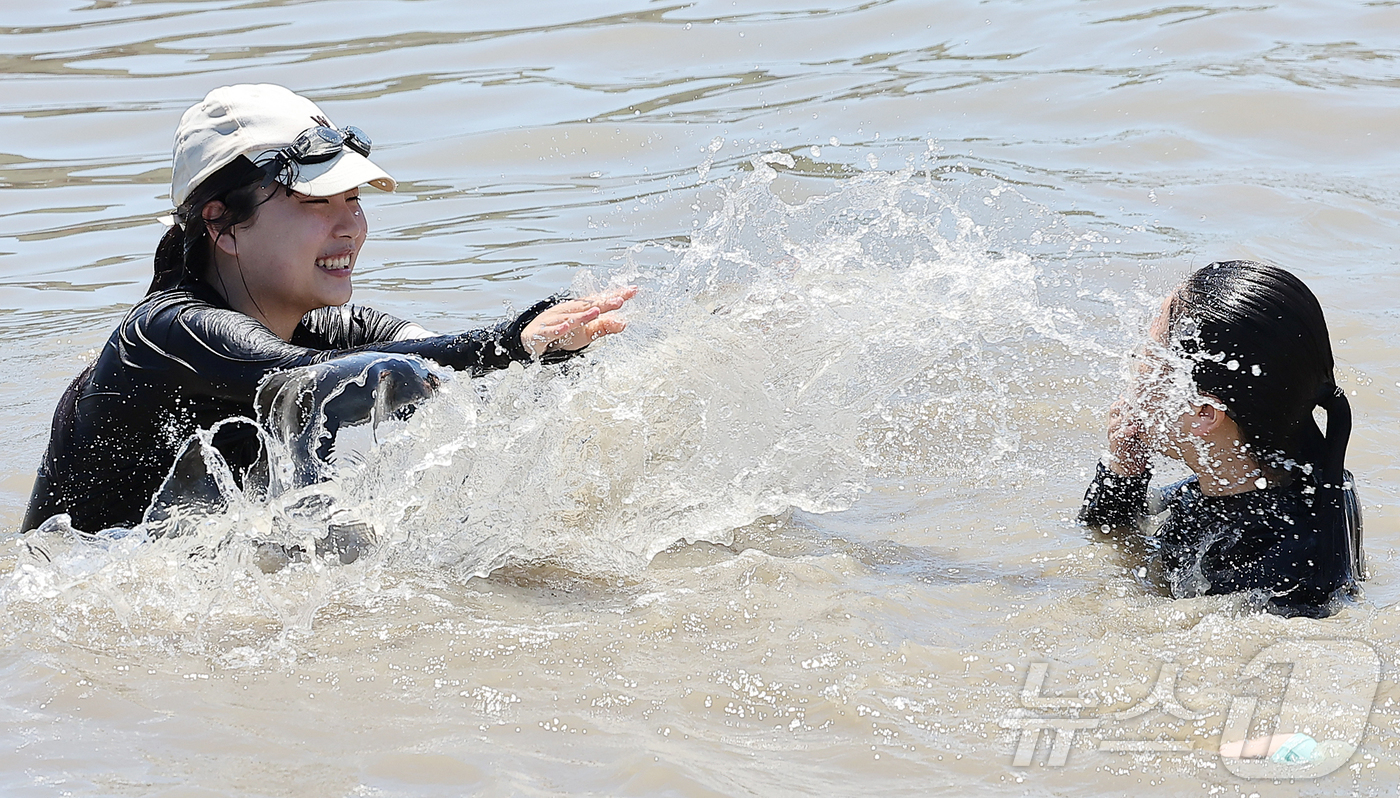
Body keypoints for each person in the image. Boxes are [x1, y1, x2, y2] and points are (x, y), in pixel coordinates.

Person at [23, 83, 635, 534]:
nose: (351, 225)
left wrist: (536, 342)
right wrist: (499, 345)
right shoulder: (164, 334)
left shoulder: (327, 327)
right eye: (317, 202)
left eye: (354, 197)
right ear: (222, 222)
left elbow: (428, 352)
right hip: (79, 596)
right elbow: (340, 376)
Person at [1079, 260, 1364, 617]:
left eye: (1147, 360)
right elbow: (1110, 528)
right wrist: (1125, 470)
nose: (1133, 372)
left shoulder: (1273, 567)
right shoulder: (1315, 482)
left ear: (1204, 414)